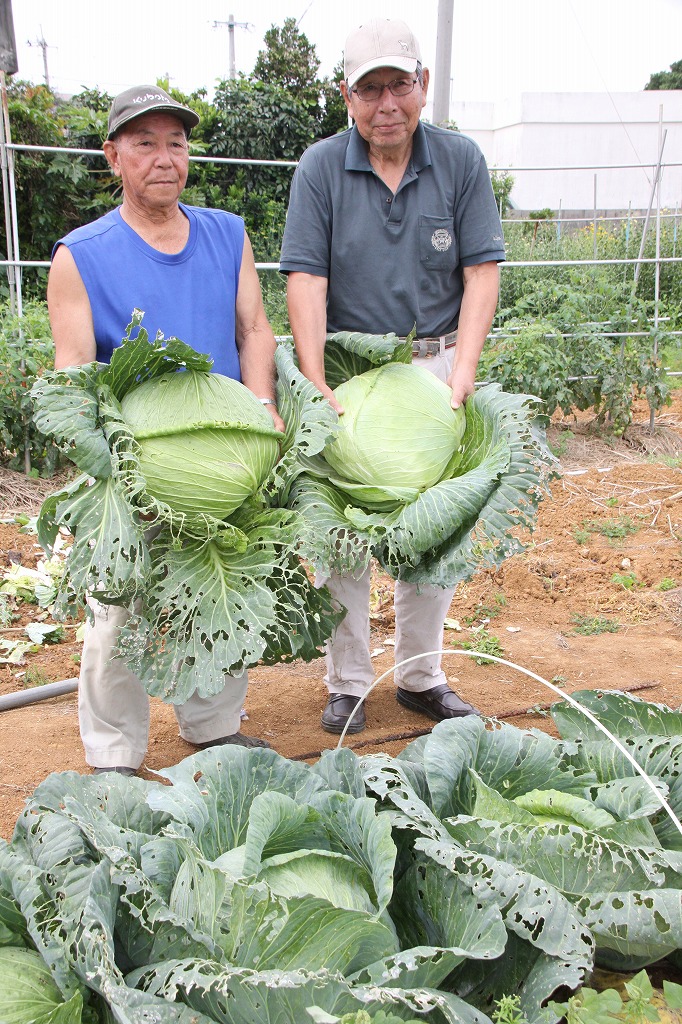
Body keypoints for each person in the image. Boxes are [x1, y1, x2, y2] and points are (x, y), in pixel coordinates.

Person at [47, 85, 284, 774]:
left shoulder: (227, 233)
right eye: (145, 143)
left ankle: (212, 724)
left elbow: (254, 330)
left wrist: (263, 401)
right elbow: (73, 379)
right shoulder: (80, 255)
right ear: (113, 155)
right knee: (117, 610)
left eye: (175, 143)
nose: (164, 157)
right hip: (134, 466)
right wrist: (114, 465)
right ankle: (114, 749)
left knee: (220, 594)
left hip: (225, 464)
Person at [280, 19, 506, 734]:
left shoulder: (461, 160)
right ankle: (347, 681)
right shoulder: (320, 167)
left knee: (433, 532)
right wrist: (314, 377)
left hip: (435, 367)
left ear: (423, 87)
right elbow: (306, 278)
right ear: (346, 96)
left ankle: (420, 675)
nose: (386, 104)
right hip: (349, 377)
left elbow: (481, 271)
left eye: (399, 85)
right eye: (369, 88)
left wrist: (462, 369)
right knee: (340, 531)